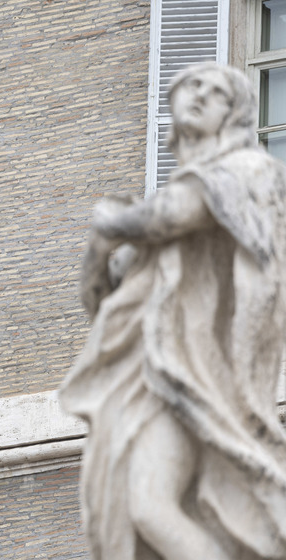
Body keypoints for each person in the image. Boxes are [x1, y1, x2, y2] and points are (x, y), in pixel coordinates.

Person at [60, 62, 286, 559]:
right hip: (151, 372)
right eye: (191, 86)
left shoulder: (248, 172)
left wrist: (111, 225)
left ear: (237, 115)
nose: (199, 95)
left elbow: (176, 213)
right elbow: (101, 303)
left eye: (217, 92)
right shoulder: (166, 215)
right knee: (135, 505)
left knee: (150, 505)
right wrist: (106, 247)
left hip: (199, 372)